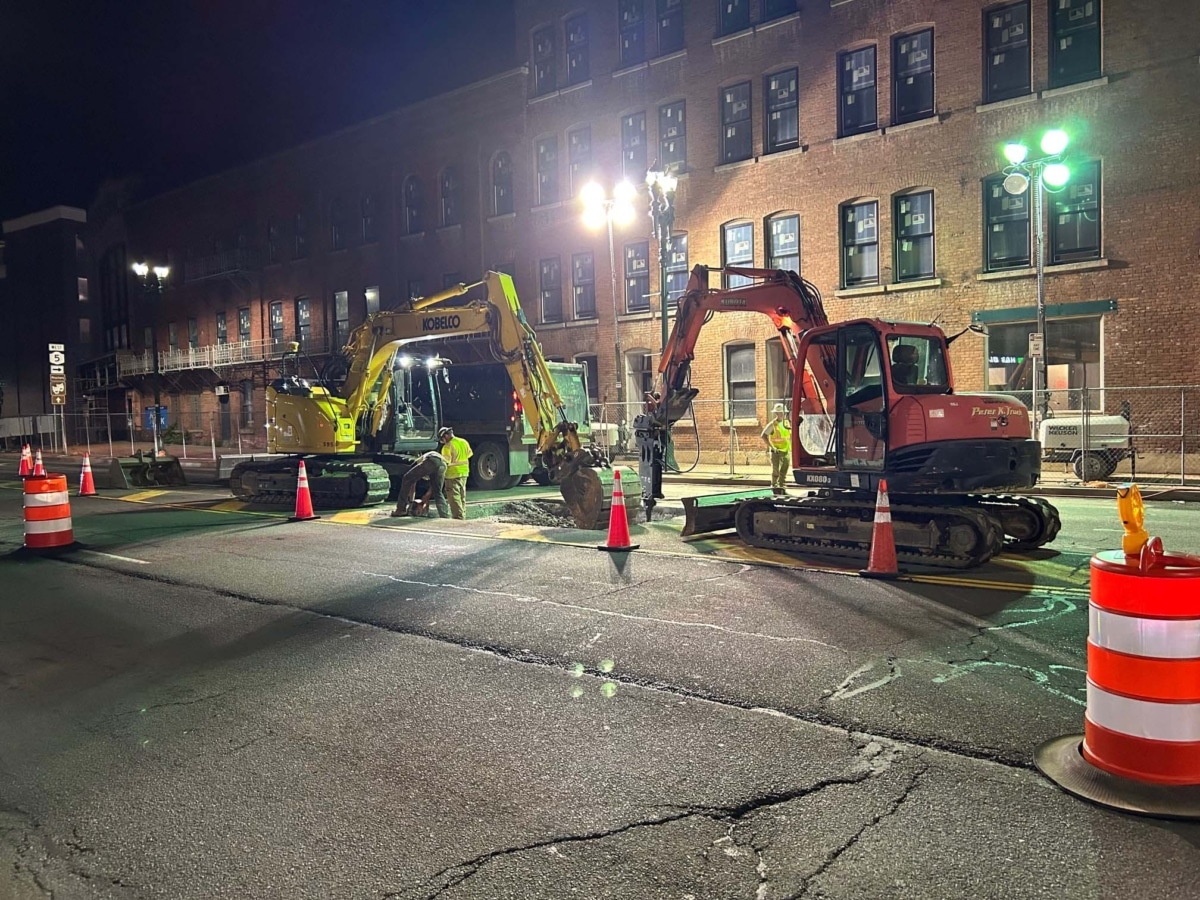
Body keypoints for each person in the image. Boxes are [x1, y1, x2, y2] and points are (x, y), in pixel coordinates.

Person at [391, 450, 449, 518]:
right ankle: (444, 515)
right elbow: (433, 487)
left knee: (406, 479)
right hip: (443, 465)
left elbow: (412, 483)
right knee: (437, 491)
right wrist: (427, 496)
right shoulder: (428, 468)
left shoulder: (416, 464)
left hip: (432, 459)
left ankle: (401, 509)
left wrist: (411, 501)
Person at [438, 426, 473, 519]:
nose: (443, 441)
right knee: (462, 497)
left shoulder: (447, 447)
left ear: (445, 436)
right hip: (464, 473)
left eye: (442, 439)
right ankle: (463, 516)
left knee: (454, 498)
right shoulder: (463, 442)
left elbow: (446, 462)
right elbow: (469, 454)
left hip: (452, 475)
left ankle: (458, 518)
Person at [761, 403, 792, 496]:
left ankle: (782, 489)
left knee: (784, 472)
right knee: (776, 472)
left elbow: (788, 436)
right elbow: (763, 436)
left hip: (786, 451)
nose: (781, 414)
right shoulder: (772, 424)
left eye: (782, 412)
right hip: (776, 452)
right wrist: (772, 447)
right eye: (779, 413)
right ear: (776, 414)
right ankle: (775, 489)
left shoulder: (787, 423)